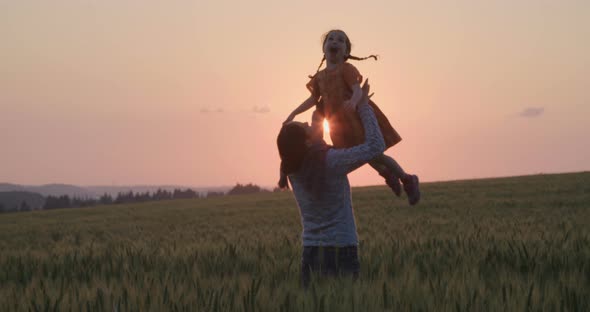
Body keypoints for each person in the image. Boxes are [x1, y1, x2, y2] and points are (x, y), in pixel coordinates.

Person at [283, 29, 420, 205]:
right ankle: (387, 173)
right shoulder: (319, 77)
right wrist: (294, 112)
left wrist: (354, 102)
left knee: (375, 154)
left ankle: (406, 178)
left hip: (356, 120)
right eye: (330, 39)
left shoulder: (346, 69)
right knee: (362, 155)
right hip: (339, 127)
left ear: (346, 52)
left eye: (340, 40)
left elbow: (357, 90)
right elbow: (313, 99)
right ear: (324, 49)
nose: (334, 41)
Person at [277, 80, 381, 287]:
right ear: (306, 141)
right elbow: (375, 145)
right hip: (341, 248)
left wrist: (322, 107)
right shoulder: (330, 161)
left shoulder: (291, 171)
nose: (307, 124)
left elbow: (315, 133)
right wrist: (363, 106)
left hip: (310, 251)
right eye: (304, 127)